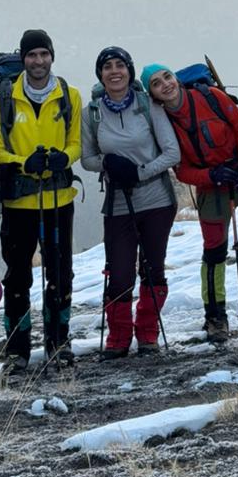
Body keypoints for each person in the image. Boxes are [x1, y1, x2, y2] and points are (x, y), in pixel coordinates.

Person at [143, 63, 238, 342]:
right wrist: (211, 175)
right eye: (156, 83)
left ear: (176, 79)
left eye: (167, 77)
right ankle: (215, 318)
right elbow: (181, 170)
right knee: (214, 252)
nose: (165, 84)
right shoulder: (163, 124)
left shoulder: (211, 97)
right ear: (152, 95)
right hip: (211, 187)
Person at [0, 29, 82, 371]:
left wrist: (64, 157)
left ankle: (59, 344)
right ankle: (18, 351)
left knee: (61, 274)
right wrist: (22, 163)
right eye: (32, 55)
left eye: (44, 54)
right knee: (17, 277)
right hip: (18, 204)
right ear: (23, 58)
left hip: (59, 199)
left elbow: (76, 143)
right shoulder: (3, 100)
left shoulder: (69, 96)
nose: (38, 61)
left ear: (52, 56)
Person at [80, 47, 180, 358]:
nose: (114, 71)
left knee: (152, 269)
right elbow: (87, 159)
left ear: (129, 70)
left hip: (157, 199)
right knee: (119, 272)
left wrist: (138, 172)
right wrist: (108, 163)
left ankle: (147, 334)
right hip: (118, 203)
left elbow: (172, 152)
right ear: (100, 74)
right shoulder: (92, 113)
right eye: (107, 66)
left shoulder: (148, 105)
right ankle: (118, 337)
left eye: (120, 65)